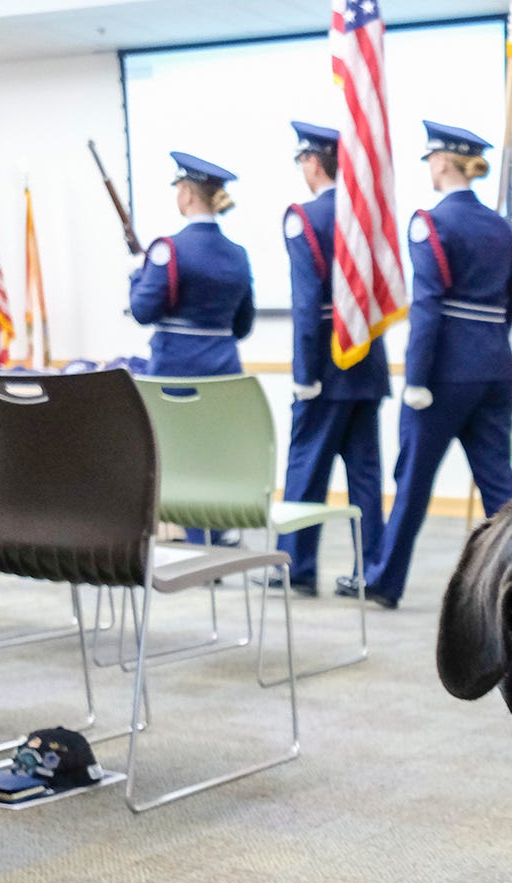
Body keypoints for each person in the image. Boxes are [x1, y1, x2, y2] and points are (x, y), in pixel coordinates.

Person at [336, 121, 512, 609]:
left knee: (413, 480)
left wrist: (416, 377)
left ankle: (385, 581)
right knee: (499, 482)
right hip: (496, 366)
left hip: (443, 374)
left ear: (441, 162)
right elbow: (509, 304)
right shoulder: (500, 225)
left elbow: (428, 307)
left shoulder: (431, 222)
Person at [262, 121, 387, 599]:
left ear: (313, 162)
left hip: (327, 366)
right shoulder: (367, 219)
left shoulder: (303, 217)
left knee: (306, 468)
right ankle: (369, 568)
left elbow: (306, 305)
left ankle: (297, 565)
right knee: (366, 476)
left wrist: (304, 373)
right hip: (366, 362)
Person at [129, 151, 254, 546]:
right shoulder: (238, 254)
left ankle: (195, 536)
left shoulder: (168, 249)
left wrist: (137, 273)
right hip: (224, 368)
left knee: (176, 453)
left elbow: (143, 310)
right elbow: (243, 324)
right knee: (214, 453)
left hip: (174, 368)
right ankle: (217, 530)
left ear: (186, 193)